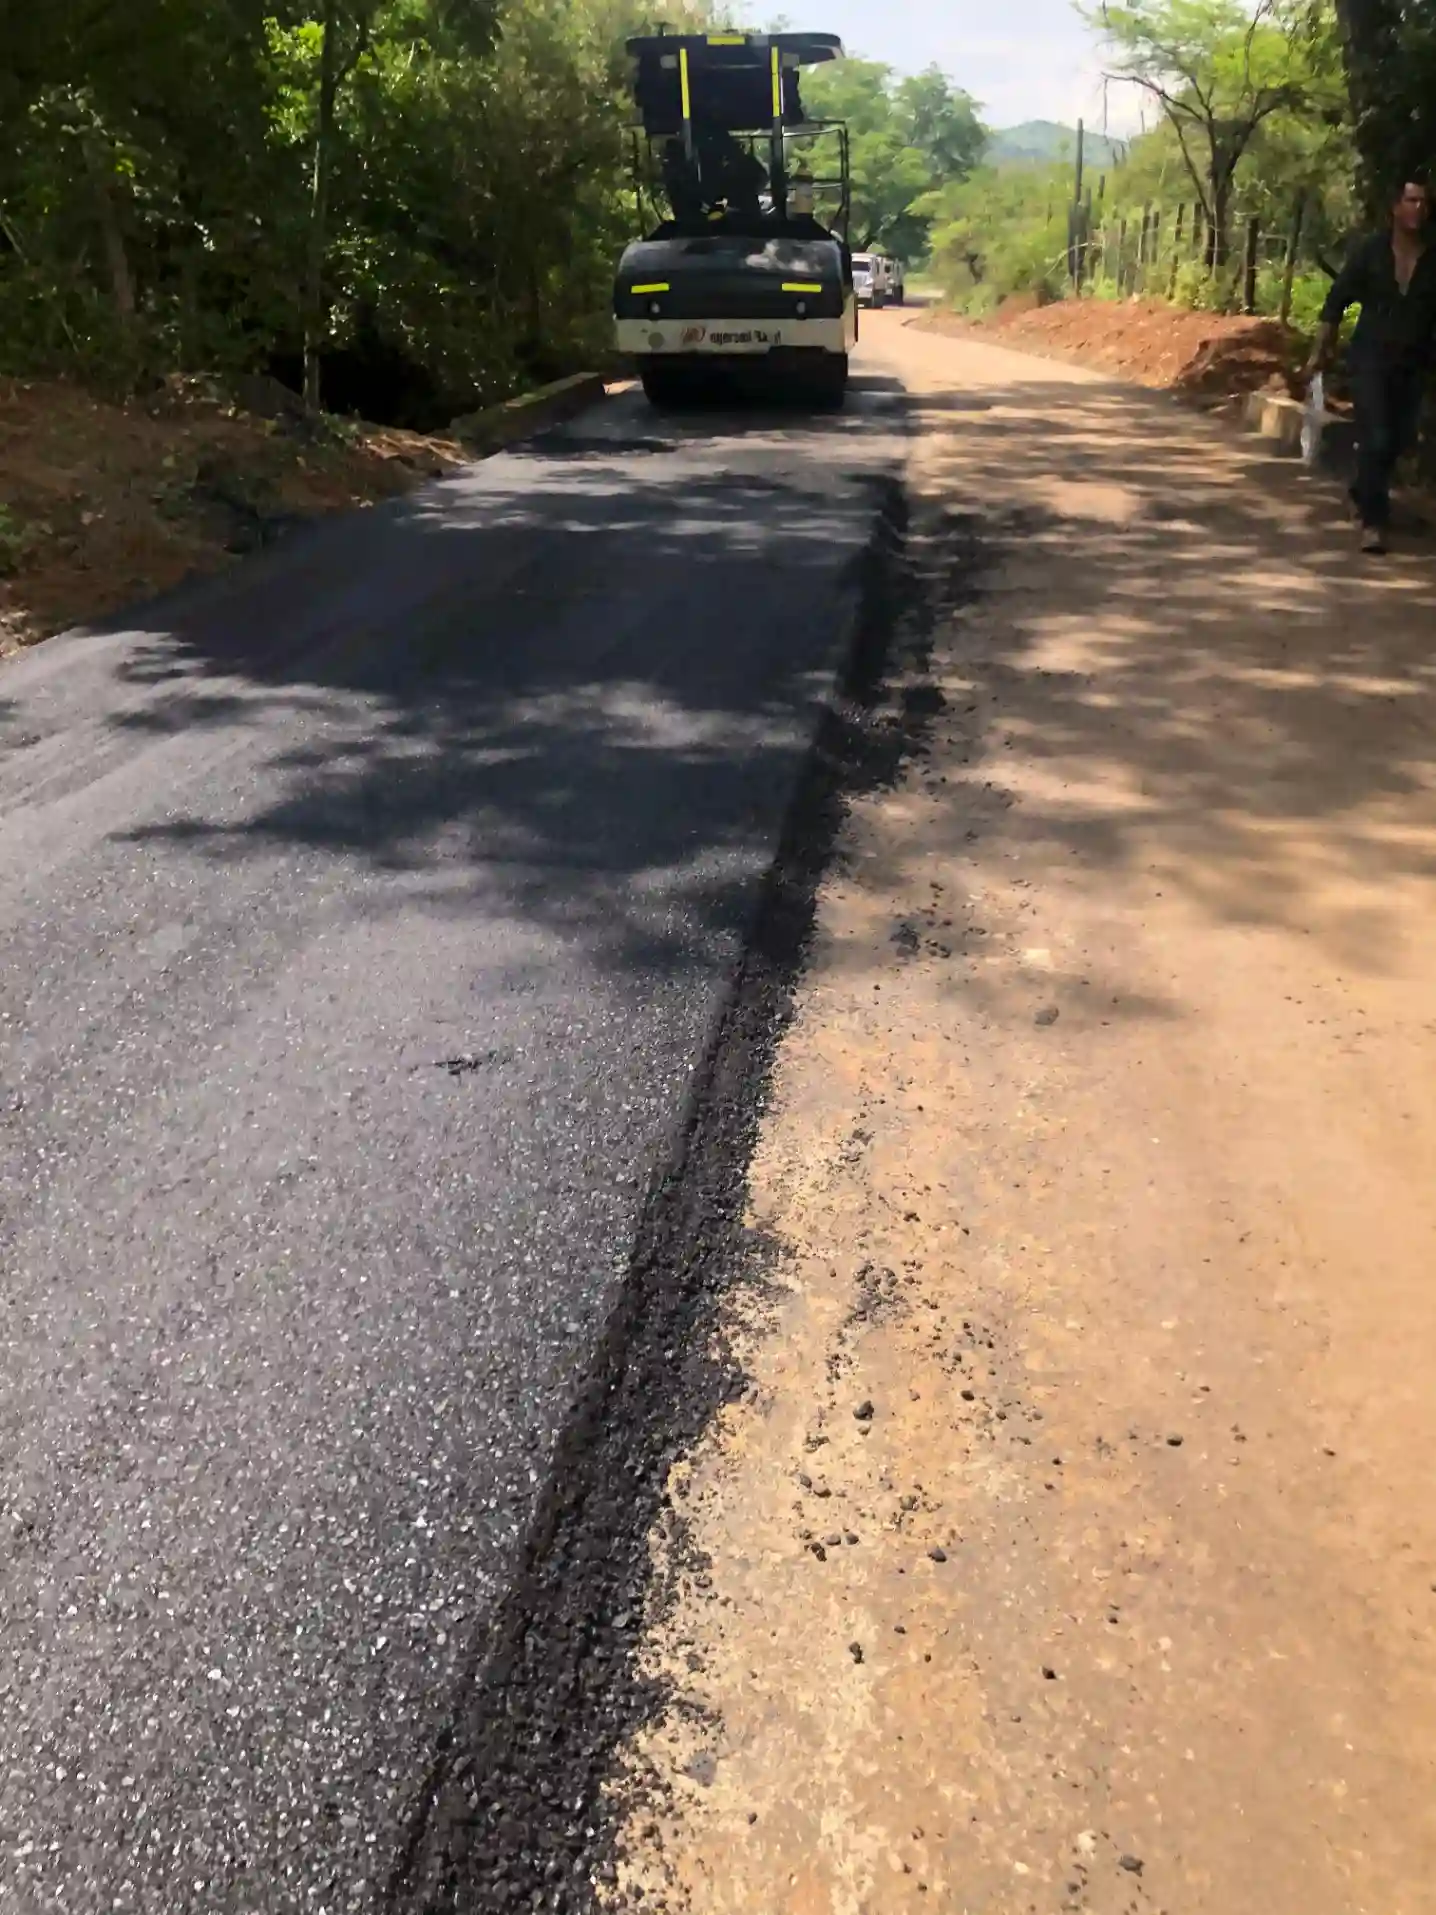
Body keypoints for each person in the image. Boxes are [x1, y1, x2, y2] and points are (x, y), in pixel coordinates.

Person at [1305, 175, 1436, 553]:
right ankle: (1373, 523)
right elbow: (1337, 301)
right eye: (1411, 201)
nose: (1418, 209)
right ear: (1395, 207)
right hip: (1369, 361)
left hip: (1413, 364)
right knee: (1377, 436)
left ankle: (1360, 491)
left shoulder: (1432, 259)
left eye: (1424, 203)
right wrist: (1319, 352)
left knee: (1398, 439)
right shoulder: (1370, 253)